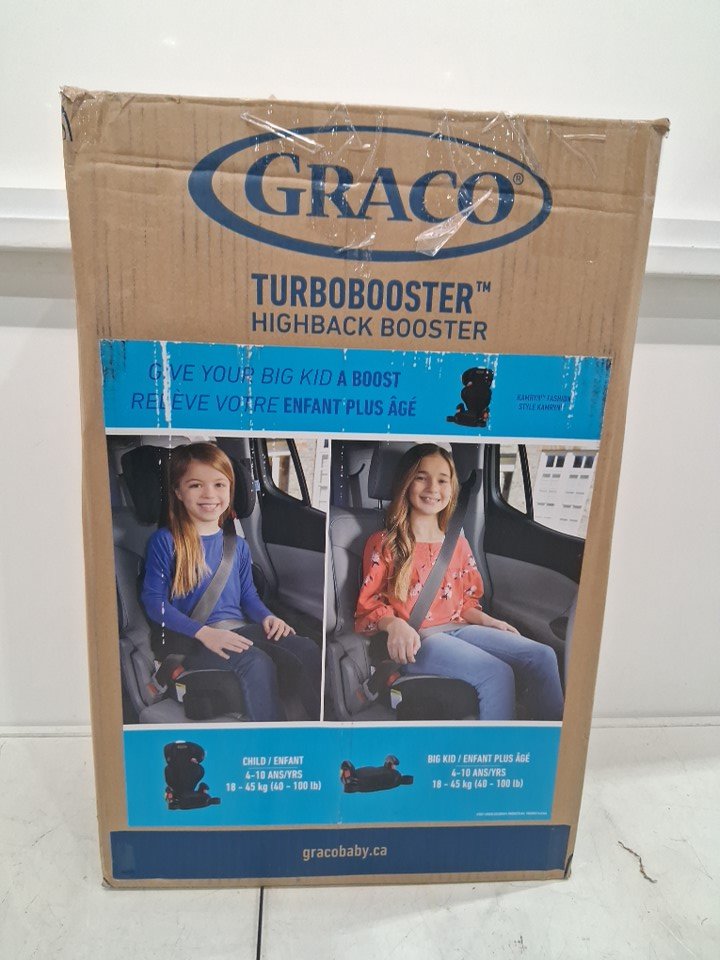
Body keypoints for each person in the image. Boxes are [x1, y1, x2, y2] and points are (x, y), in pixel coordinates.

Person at [355, 444, 564, 721]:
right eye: (421, 477)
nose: (433, 488)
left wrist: (489, 621)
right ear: (405, 482)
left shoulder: (457, 542)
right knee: (497, 673)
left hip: (459, 628)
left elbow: (465, 602)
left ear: (452, 487)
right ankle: (495, 746)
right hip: (418, 639)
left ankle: (554, 741)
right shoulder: (385, 543)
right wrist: (394, 625)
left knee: (543, 655)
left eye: (442, 480)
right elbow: (369, 606)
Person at [142, 442, 321, 721]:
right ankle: (269, 739)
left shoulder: (237, 545)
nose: (209, 494)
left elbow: (248, 596)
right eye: (195, 485)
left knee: (306, 647)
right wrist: (205, 633)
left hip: (237, 630)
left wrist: (267, 617)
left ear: (230, 490)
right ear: (178, 491)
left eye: (219, 485)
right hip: (193, 640)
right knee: (256, 662)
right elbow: (154, 603)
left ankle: (319, 728)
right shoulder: (166, 542)